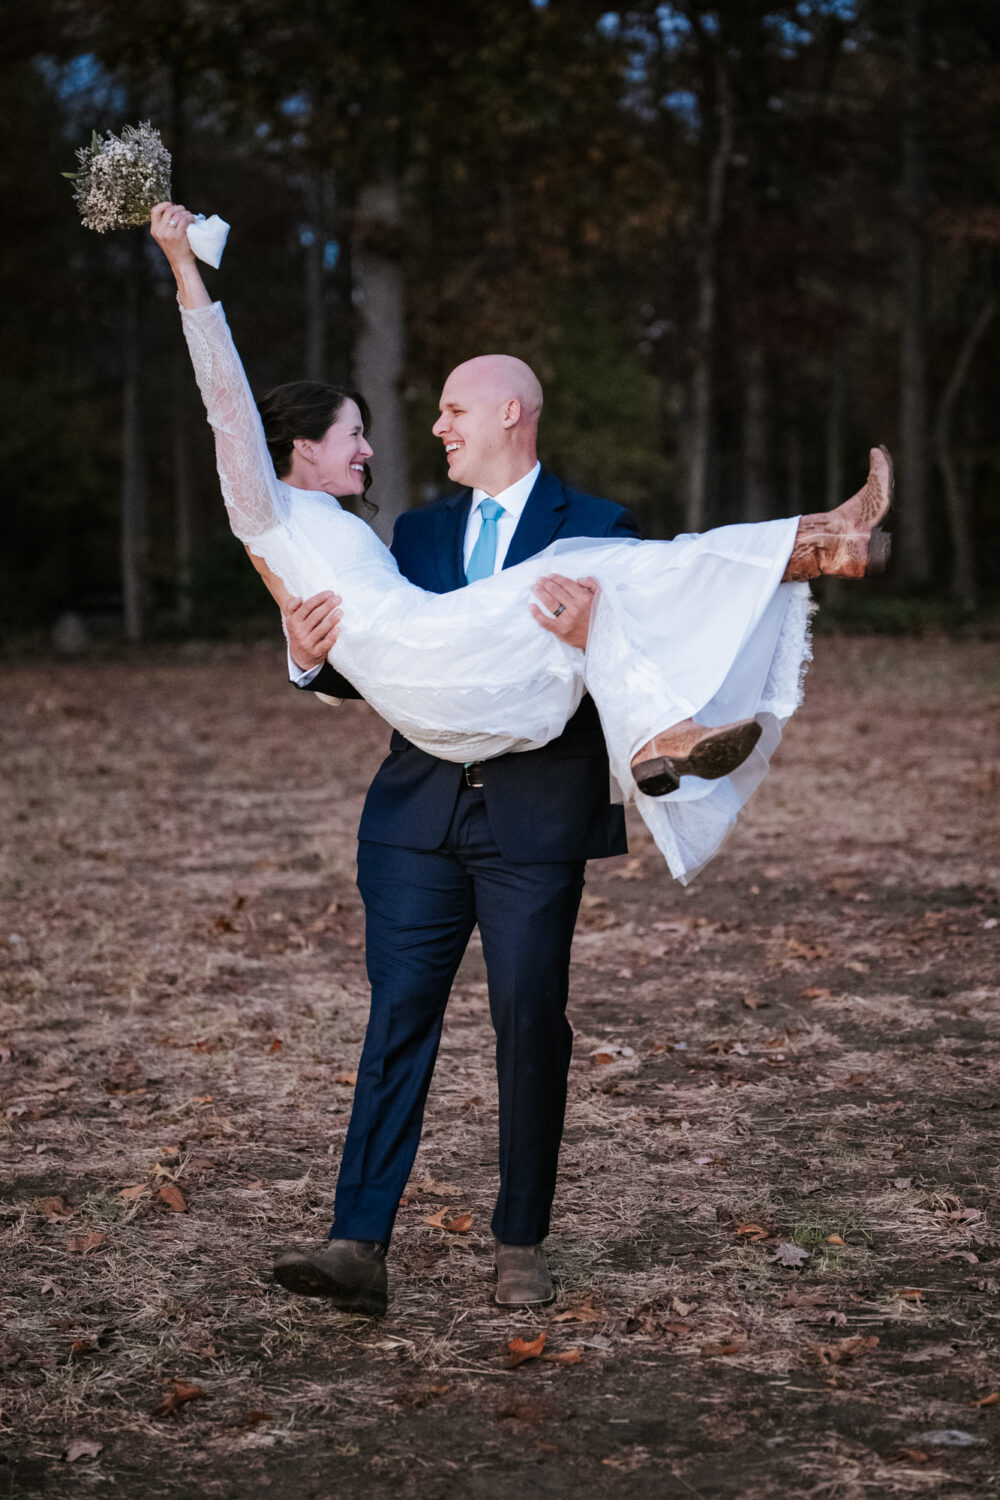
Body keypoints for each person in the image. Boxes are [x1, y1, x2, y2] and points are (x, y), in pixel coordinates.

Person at [151, 203, 891, 1314]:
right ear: (301, 450)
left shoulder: (578, 515)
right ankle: (357, 1243)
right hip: (421, 779)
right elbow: (225, 407)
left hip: (527, 794)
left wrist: (588, 642)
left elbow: (543, 637)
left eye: (447, 411)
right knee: (397, 1015)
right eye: (356, 434)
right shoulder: (331, 516)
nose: (395, 440)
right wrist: (180, 267)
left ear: (507, 410)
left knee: (529, 1020)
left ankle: (520, 1240)